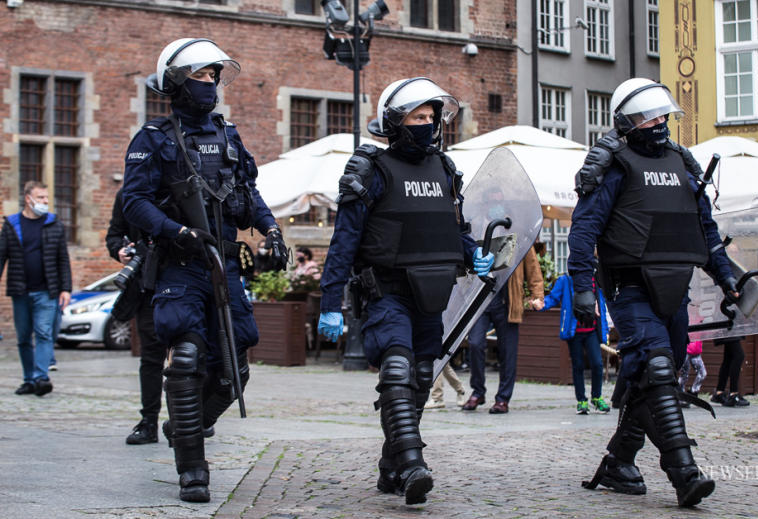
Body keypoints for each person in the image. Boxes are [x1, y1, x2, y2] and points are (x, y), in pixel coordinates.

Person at [122, 38, 287, 502]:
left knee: (236, 368)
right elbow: (132, 202)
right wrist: (176, 230)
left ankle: (189, 425)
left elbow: (248, 192)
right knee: (188, 359)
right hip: (181, 265)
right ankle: (192, 469)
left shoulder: (228, 135)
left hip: (226, 264)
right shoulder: (153, 139)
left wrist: (269, 228)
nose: (210, 83)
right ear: (177, 82)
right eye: (200, 75)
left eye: (214, 75)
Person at [317, 77, 489, 505]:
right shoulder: (371, 170)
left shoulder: (445, 169)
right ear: (396, 121)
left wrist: (473, 253)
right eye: (418, 116)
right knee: (397, 370)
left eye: (432, 117)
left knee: (421, 378)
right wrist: (329, 301)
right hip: (386, 291)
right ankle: (413, 465)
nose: (428, 124)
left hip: (432, 295)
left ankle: (389, 466)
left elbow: (454, 228)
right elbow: (344, 240)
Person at [570, 78, 739, 507]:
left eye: (662, 114)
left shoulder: (683, 163)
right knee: (658, 366)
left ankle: (619, 461)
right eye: (649, 116)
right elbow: (584, 229)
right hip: (629, 286)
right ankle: (684, 472)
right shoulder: (614, 164)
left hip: (675, 287)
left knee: (656, 373)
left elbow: (707, 230)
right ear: (629, 121)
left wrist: (728, 278)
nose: (659, 122)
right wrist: (582, 289)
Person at [106, 189, 168, 444]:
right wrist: (119, 250)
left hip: (180, 281)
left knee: (188, 354)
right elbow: (114, 234)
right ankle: (149, 421)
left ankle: (190, 419)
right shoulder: (126, 194)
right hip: (145, 285)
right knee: (152, 357)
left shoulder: (176, 186)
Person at [0, 181, 72, 397]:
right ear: (28, 199)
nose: (45, 202)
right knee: (23, 337)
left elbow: (63, 259)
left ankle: (41, 377)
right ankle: (29, 379)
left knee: (43, 333)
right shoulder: (12, 225)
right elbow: (1, 255)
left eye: (47, 198)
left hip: (47, 290)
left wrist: (65, 288)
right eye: (41, 198)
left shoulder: (54, 224)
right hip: (20, 290)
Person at [462, 248, 544, 414]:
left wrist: (538, 296)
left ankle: (502, 398)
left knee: (508, 351)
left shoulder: (519, 231)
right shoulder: (483, 226)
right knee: (475, 343)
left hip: (508, 300)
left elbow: (533, 267)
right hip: (482, 299)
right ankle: (478, 391)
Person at [541, 272, 610, 415]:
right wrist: (541, 304)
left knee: (597, 364)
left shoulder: (595, 278)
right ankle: (581, 400)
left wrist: (605, 327)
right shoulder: (565, 280)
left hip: (592, 330)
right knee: (577, 366)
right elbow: (553, 298)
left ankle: (596, 397)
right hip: (574, 332)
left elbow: (603, 302)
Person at [709, 337, 749, 407]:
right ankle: (733, 394)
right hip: (728, 329)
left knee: (728, 357)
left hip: (729, 330)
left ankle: (719, 392)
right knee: (738, 355)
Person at [678, 340, 707, 407]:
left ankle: (693, 392)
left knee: (702, 373)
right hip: (686, 350)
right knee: (684, 375)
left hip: (696, 351)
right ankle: (681, 396)